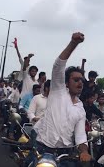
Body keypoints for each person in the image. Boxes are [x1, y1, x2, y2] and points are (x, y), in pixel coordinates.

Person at [33, 32, 91, 167]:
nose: (80, 83)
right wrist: (73, 43)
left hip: (65, 155)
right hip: (42, 150)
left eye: (81, 81)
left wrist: (84, 151)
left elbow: (81, 136)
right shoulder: (58, 90)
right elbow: (58, 66)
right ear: (65, 83)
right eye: (76, 80)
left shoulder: (81, 109)